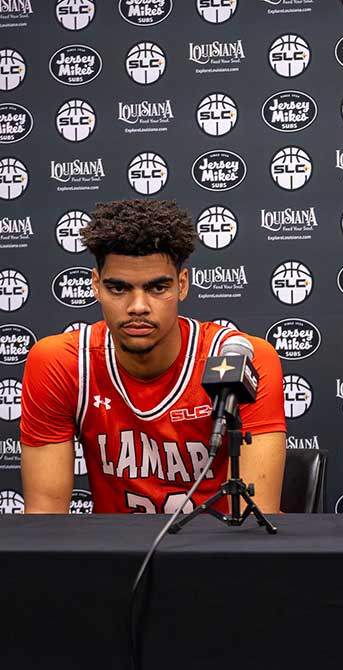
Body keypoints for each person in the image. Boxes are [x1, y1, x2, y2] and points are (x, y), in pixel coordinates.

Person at [20, 199, 287, 514]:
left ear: (182, 285)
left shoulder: (237, 358)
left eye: (157, 288)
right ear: (95, 285)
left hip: (217, 555)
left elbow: (252, 514)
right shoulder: (62, 362)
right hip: (115, 558)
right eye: (118, 289)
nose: (137, 307)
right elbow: (46, 518)